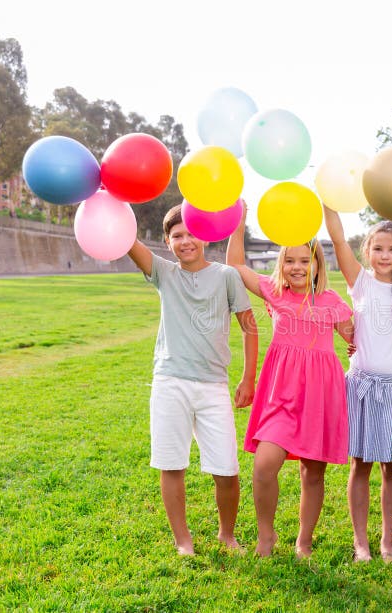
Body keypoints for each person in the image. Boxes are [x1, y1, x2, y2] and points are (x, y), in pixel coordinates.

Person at [127, 204, 258, 556]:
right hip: (171, 382)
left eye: (191, 233)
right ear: (167, 242)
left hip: (213, 385)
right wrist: (113, 198)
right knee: (171, 464)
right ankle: (183, 540)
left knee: (227, 469)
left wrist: (248, 378)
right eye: (177, 236)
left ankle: (226, 535)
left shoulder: (227, 276)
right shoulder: (164, 273)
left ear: (206, 234)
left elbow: (249, 326)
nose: (186, 241)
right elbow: (127, 239)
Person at [226, 205, 354, 558]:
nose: (297, 267)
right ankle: (266, 536)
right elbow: (235, 266)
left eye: (305, 260)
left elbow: (356, 340)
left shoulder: (333, 303)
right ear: (280, 264)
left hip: (320, 396)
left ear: (317, 265)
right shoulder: (275, 293)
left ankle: (304, 540)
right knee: (265, 463)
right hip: (281, 394)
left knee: (312, 473)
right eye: (289, 261)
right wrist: (239, 222)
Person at [323, 205, 392, 563]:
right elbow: (337, 238)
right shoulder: (360, 282)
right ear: (367, 251)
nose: (384, 255)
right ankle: (362, 543)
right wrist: (330, 200)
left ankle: (388, 542)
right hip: (361, 385)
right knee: (360, 464)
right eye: (378, 248)